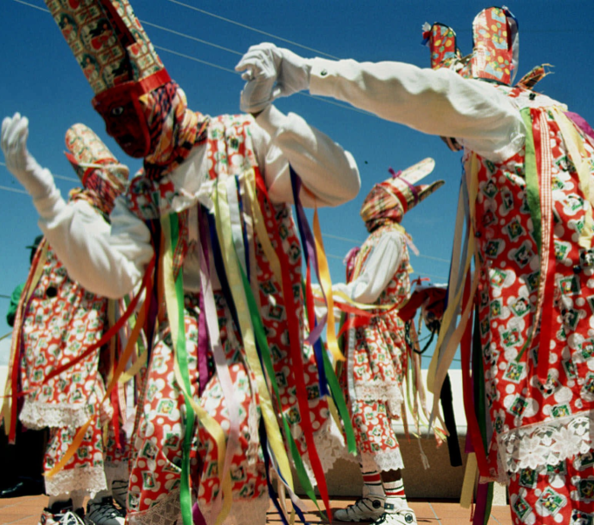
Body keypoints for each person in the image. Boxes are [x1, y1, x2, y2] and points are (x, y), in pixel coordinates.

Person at [1, 1, 360, 523]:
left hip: (259, 329)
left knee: (232, 428)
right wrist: (47, 201)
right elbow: (114, 273)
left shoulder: (242, 140)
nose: (124, 131)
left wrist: (270, 116)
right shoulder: (144, 191)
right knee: (160, 437)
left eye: (129, 112)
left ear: (161, 95)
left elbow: (341, 185)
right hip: (183, 335)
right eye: (112, 119)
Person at [237, 6, 594, 524]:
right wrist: (458, 295)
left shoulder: (503, 112)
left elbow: (421, 94)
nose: (449, 141)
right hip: (566, 342)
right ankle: (383, 499)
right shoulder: (554, 135)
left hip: (553, 355)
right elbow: (552, 246)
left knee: (547, 480)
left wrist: (306, 74)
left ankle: (393, 505)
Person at [0, 125, 132, 525]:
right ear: (90, 179)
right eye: (110, 178)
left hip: (104, 338)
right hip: (75, 340)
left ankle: (98, 501)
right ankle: (63, 509)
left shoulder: (108, 220)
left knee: (107, 418)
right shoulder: (80, 215)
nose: (117, 187)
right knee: (80, 419)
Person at [332, 160, 443, 524]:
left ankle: (398, 505)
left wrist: (321, 292)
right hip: (359, 339)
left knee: (372, 414)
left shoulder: (392, 238)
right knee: (361, 418)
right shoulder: (377, 240)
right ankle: (374, 499)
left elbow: (366, 291)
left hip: (376, 338)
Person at [0, 235, 45, 501]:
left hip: (60, 364)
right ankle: (27, 478)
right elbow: (12, 317)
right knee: (27, 422)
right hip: (29, 363)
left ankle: (54, 476)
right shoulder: (23, 287)